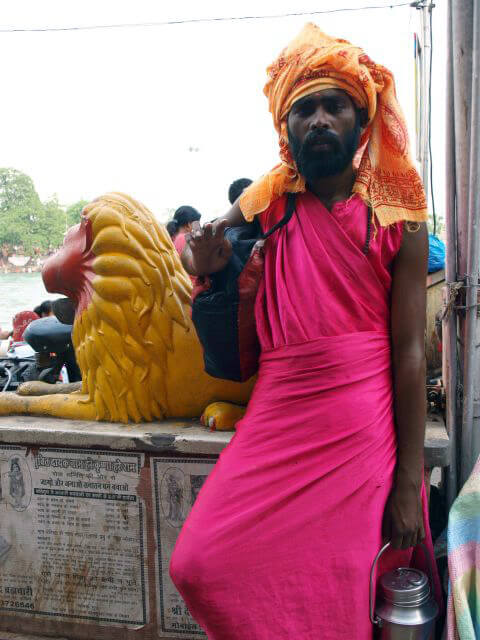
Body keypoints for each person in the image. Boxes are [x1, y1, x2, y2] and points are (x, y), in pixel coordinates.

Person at [171, 24, 441, 639]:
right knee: (199, 563)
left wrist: (407, 479)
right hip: (280, 408)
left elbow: (407, 353)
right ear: (286, 128)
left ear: (360, 120)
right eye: (304, 109)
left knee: (347, 575)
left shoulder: (399, 215)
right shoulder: (271, 197)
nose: (319, 119)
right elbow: (197, 250)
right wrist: (202, 261)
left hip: (361, 421)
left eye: (334, 106)